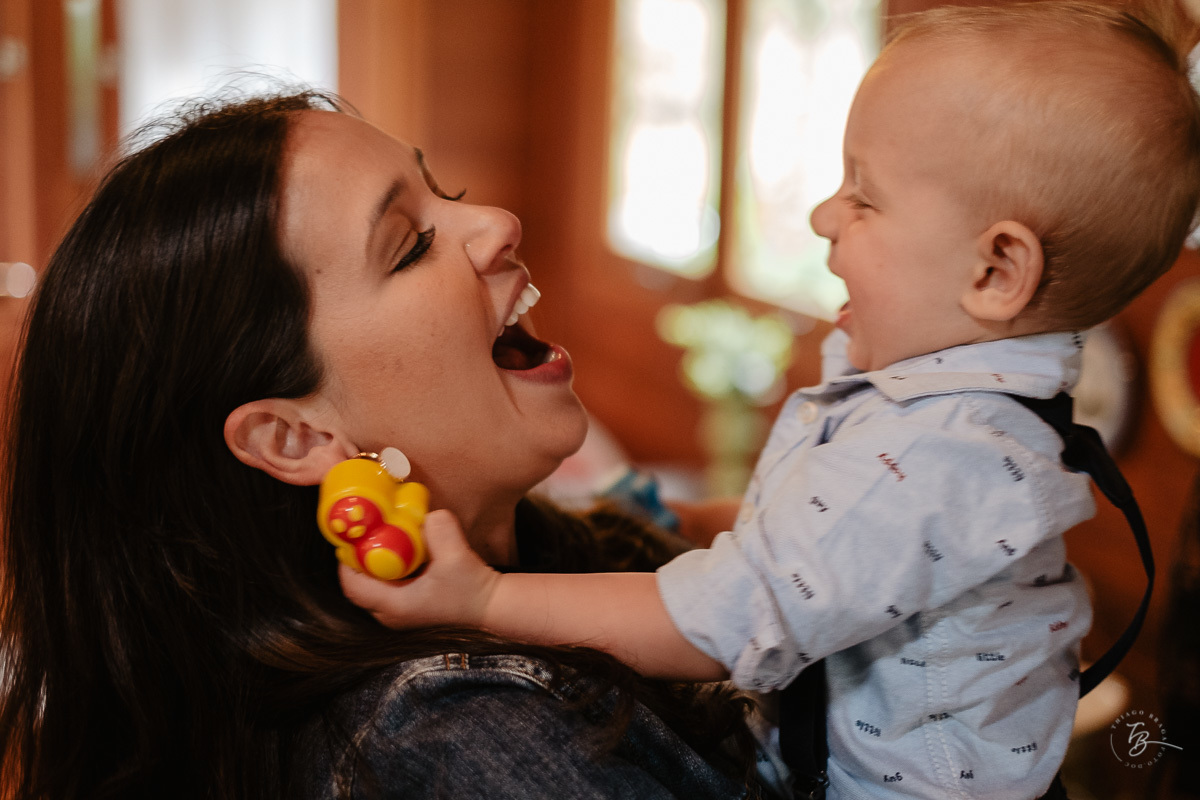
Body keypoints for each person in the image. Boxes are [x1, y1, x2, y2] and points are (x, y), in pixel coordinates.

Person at [340, 2, 1200, 798]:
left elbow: (722, 624)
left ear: (995, 271)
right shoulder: (944, 408)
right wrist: (696, 519)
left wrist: (483, 601)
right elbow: (826, 545)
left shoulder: (939, 454)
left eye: (864, 196)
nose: (826, 215)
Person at [0, 91, 767, 799]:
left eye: (449, 194)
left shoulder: (559, 551)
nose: (499, 221)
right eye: (410, 246)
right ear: (295, 436)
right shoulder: (455, 740)